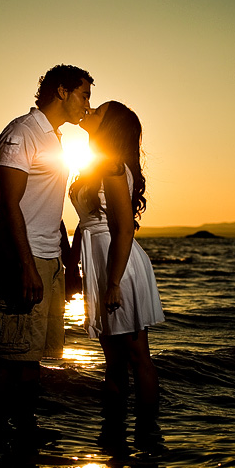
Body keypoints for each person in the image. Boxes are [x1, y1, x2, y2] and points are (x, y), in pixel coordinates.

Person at [0, 64, 93, 398]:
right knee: (8, 357)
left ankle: (27, 437)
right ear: (62, 91)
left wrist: (66, 264)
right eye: (84, 95)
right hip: (21, 258)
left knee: (33, 359)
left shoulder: (55, 139)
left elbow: (49, 207)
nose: (87, 104)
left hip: (48, 260)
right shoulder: (22, 133)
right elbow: (9, 203)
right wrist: (27, 264)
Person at [68, 101, 164, 417]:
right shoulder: (96, 165)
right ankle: (115, 441)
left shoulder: (113, 167)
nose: (90, 110)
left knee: (138, 358)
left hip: (119, 267)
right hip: (98, 264)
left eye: (98, 111)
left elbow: (124, 230)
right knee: (113, 360)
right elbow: (85, 225)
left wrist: (112, 283)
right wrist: (73, 269)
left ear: (109, 126)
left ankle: (149, 436)